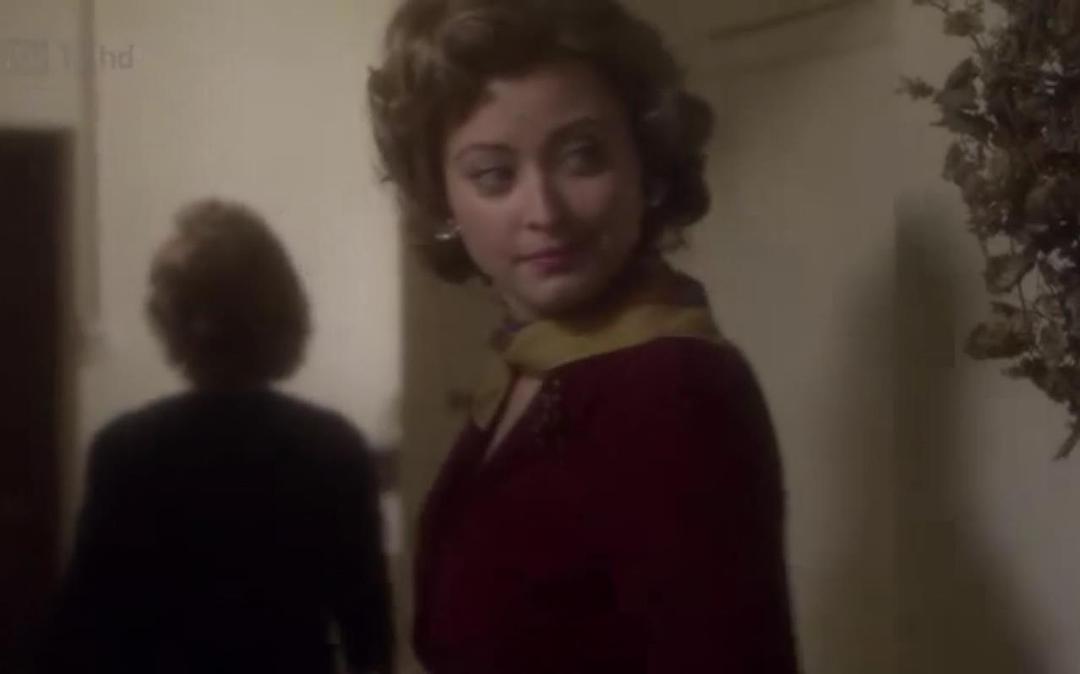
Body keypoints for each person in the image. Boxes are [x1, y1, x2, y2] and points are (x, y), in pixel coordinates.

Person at [367, 0, 800, 672]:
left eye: (582, 156)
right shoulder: (531, 362)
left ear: (645, 165)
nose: (544, 211)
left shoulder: (675, 393)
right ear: (443, 197)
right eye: (494, 174)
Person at [36, 199, 394, 674]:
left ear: (176, 321)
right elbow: (368, 631)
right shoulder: (334, 448)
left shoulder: (127, 450)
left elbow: (83, 625)